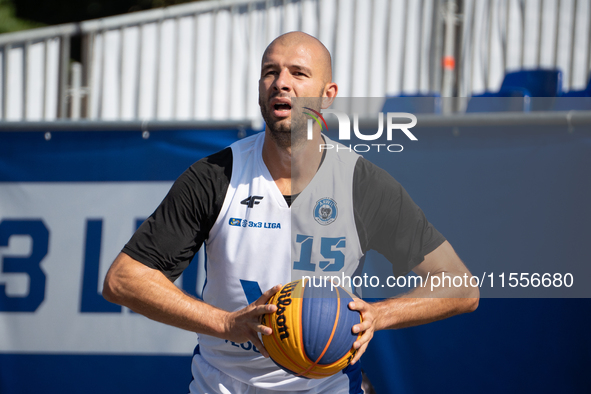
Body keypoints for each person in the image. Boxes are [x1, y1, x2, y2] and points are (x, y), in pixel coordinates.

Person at [103, 31, 479, 393]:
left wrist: (379, 315)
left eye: (298, 73)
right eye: (271, 71)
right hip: (222, 384)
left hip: (324, 386)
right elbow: (123, 279)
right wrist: (226, 322)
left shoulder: (361, 184)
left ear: (327, 95)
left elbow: (461, 286)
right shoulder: (216, 176)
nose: (281, 82)